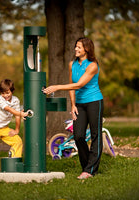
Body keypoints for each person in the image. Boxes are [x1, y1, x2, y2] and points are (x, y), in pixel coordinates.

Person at [43, 37, 104, 179]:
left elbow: (79, 85)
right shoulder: (73, 64)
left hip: (94, 102)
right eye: (75, 46)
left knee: (96, 136)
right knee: (78, 135)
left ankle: (89, 170)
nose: (76, 49)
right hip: (80, 105)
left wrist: (57, 87)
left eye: (79, 47)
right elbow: (72, 85)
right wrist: (73, 104)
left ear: (87, 49)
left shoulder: (92, 66)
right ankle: (87, 167)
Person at [0, 79, 28, 172]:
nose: (5, 95)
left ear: (12, 91)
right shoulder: (0, 100)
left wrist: (16, 130)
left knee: (17, 141)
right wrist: (20, 113)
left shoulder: (16, 101)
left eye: (7, 93)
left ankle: (14, 165)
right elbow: (9, 110)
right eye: (3, 93)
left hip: (3, 128)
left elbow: (16, 116)